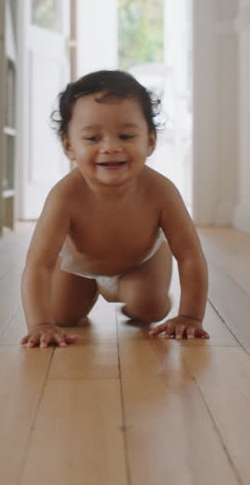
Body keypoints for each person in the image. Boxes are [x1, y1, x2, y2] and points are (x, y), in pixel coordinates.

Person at [20, 69, 210, 348]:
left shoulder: (161, 192)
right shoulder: (64, 197)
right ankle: (88, 291)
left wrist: (191, 316)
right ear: (69, 146)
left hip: (141, 264)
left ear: (150, 141)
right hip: (78, 267)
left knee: (149, 308)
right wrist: (40, 325)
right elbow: (39, 265)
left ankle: (134, 294)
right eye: (93, 138)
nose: (110, 147)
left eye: (126, 135)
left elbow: (191, 256)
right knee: (60, 316)